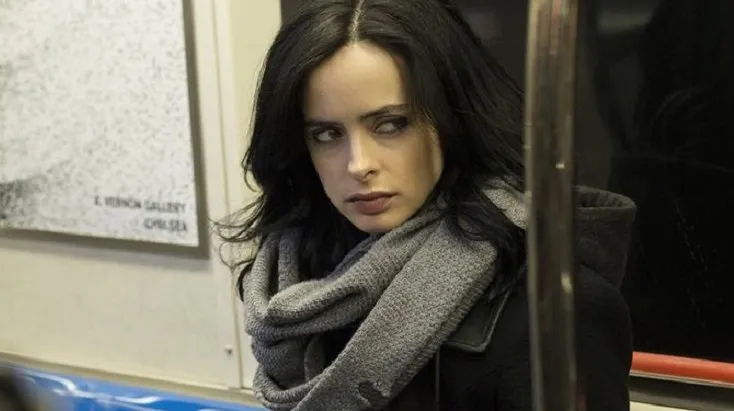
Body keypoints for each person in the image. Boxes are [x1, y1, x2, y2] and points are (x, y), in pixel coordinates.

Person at [218, 0, 637, 409]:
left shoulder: (555, 308)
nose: (359, 165)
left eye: (391, 124)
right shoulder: (295, 284)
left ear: (453, 120)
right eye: (327, 134)